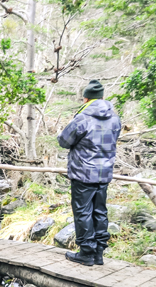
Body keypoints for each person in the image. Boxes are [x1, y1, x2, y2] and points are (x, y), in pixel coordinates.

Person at [57, 80, 121, 266]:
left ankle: (86, 252)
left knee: (83, 212)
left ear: (86, 98)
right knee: (100, 211)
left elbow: (64, 140)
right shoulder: (115, 118)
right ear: (102, 97)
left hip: (83, 172)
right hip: (104, 172)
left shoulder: (82, 118)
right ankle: (99, 253)